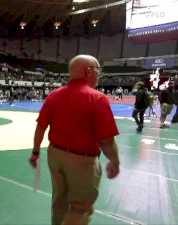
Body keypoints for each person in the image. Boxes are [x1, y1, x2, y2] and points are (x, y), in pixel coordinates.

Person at [29, 55, 120, 225]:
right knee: (80, 208)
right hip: (82, 162)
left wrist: (35, 152)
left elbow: (40, 127)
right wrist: (115, 160)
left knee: (59, 201)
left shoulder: (54, 95)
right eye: (98, 70)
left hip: (54, 156)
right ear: (88, 71)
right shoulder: (98, 98)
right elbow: (107, 141)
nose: (99, 75)